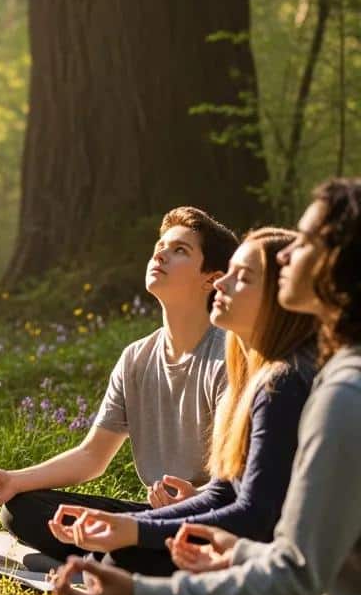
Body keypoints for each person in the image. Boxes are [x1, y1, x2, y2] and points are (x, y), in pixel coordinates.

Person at [55, 179, 361, 595]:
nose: (289, 250)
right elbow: (290, 540)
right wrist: (232, 549)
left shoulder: (336, 391)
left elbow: (294, 572)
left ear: (340, 263)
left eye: (308, 239)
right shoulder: (328, 378)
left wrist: (141, 592)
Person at [0, 207, 237, 561]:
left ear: (210, 280)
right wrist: (16, 479)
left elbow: (237, 482)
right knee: (23, 509)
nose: (159, 254)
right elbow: (93, 456)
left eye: (179, 250)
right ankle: (116, 553)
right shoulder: (136, 358)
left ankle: (115, 555)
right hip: (152, 518)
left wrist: (194, 495)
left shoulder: (229, 357)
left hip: (208, 521)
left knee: (133, 548)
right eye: (160, 245)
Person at [47, 228, 315, 576]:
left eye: (243, 278)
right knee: (40, 517)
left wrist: (134, 530)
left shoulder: (284, 384)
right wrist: (125, 524)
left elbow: (254, 515)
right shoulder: (245, 373)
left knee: (123, 559)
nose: (222, 284)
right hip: (235, 537)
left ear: (279, 298)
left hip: (279, 565)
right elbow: (222, 493)